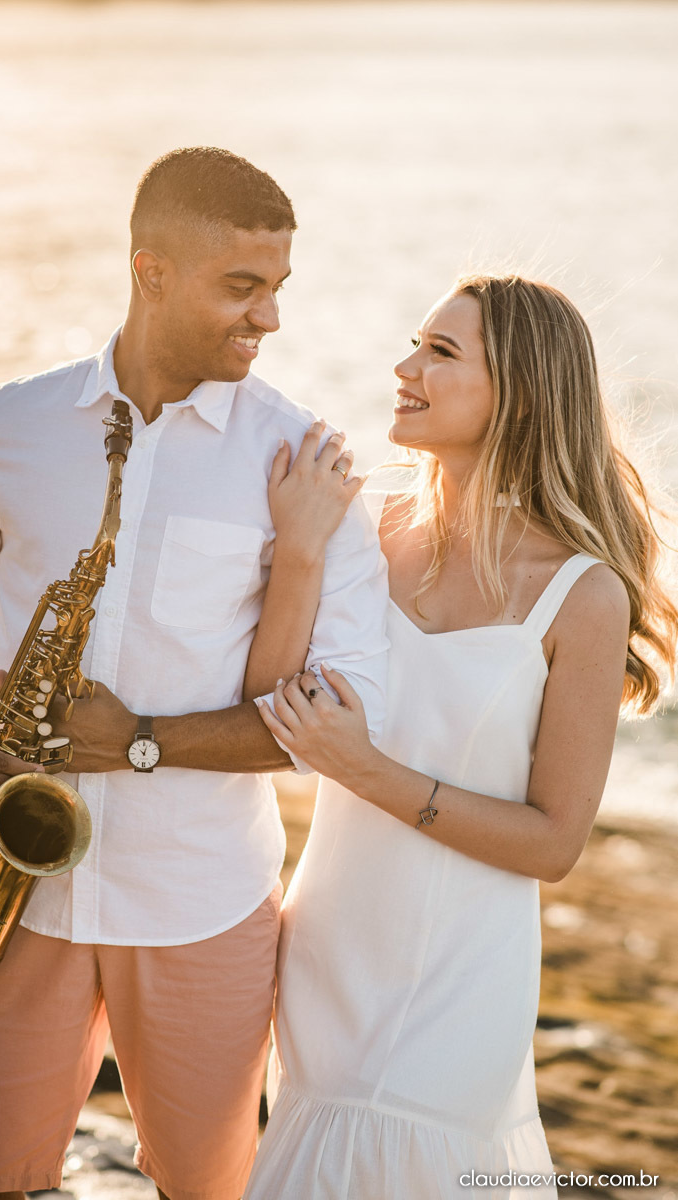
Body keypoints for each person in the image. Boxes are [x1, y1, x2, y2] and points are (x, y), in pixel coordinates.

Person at [0, 147, 389, 1200]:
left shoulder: (298, 457)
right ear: (149, 270)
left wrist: (142, 738)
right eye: (241, 287)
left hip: (200, 900)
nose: (270, 319)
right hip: (13, 893)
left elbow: (344, 704)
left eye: (279, 287)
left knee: (205, 1190)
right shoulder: (12, 425)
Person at [238, 274, 678, 1199]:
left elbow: (553, 841)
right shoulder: (365, 533)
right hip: (327, 947)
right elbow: (273, 701)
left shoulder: (580, 593)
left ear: (517, 389)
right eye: (413, 344)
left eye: (440, 353)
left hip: (460, 974)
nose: (404, 368)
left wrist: (365, 770)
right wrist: (303, 549)